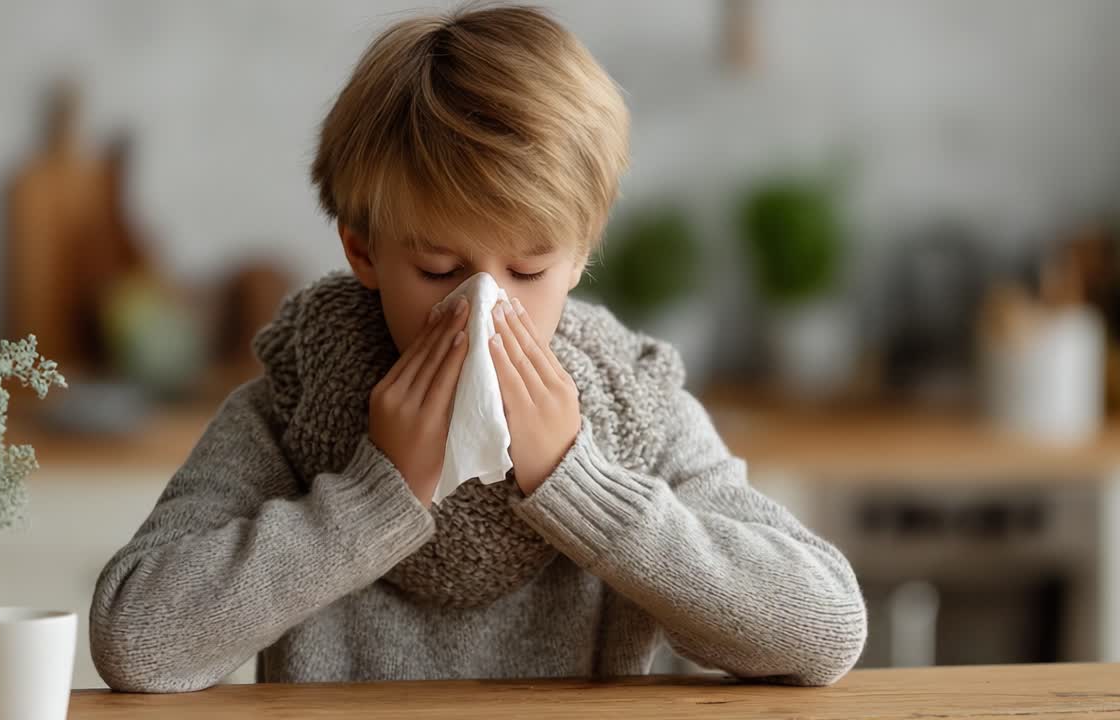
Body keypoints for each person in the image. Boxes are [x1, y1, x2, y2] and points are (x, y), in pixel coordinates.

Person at [89, 3, 867, 692]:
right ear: (363, 251)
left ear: (581, 254)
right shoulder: (291, 406)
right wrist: (372, 497)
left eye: (527, 269)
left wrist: (580, 482)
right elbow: (134, 641)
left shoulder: (639, 409)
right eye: (439, 269)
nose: (483, 309)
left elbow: (826, 629)